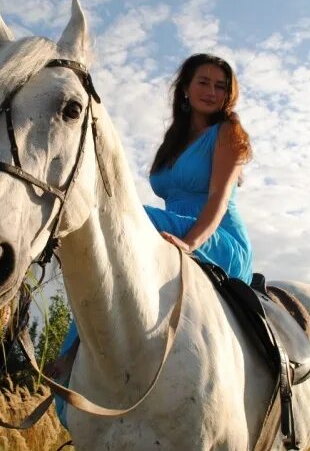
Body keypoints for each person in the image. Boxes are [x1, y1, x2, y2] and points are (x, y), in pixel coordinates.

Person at [55, 53, 254, 424]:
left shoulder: (227, 132)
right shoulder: (174, 140)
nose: (212, 91)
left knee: (129, 219)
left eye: (220, 86)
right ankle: (85, 353)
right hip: (174, 224)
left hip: (215, 233)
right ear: (185, 88)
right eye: (204, 82)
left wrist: (191, 242)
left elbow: (218, 200)